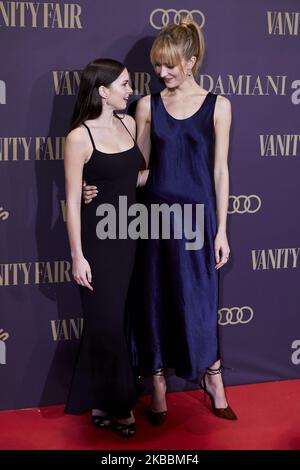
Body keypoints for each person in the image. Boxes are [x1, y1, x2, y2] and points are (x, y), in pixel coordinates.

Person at [83, 18, 237, 423]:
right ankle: (158, 387)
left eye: (169, 65)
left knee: (200, 301)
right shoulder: (147, 106)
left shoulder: (218, 106)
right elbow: (138, 168)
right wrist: (95, 186)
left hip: (197, 221)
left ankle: (213, 377)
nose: (161, 73)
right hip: (153, 219)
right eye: (156, 66)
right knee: (152, 300)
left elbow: (220, 172)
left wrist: (221, 230)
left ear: (191, 60)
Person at [64, 58, 145, 438]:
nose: (130, 90)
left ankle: (98, 400)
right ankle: (121, 404)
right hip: (97, 243)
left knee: (117, 322)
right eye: (125, 85)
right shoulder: (79, 138)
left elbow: (138, 175)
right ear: (103, 91)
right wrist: (77, 256)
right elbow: (71, 203)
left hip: (131, 236)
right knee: (107, 323)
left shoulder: (129, 125)